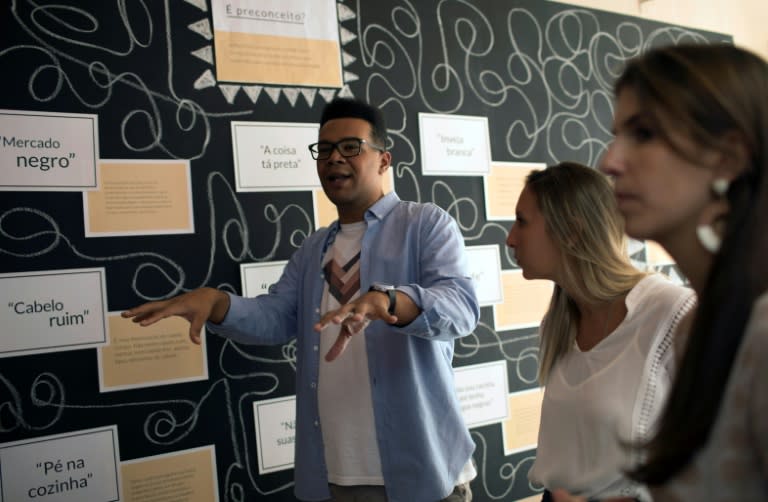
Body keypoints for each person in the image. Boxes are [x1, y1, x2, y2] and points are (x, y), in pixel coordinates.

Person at [122, 98, 479, 502]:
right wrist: (216, 302)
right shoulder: (313, 249)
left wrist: (388, 301)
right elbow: (276, 317)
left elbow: (460, 308)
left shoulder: (426, 224)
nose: (334, 159)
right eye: (324, 149)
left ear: (383, 160)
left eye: (350, 147)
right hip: (335, 474)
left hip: (422, 472)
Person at [554, 43, 768, 501]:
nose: (610, 161)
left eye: (644, 134)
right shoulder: (700, 324)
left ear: (727, 157)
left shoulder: (762, 330)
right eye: (617, 135)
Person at [505, 162, 695, 502]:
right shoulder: (558, 324)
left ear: (572, 231)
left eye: (522, 222)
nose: (511, 238)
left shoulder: (671, 314)